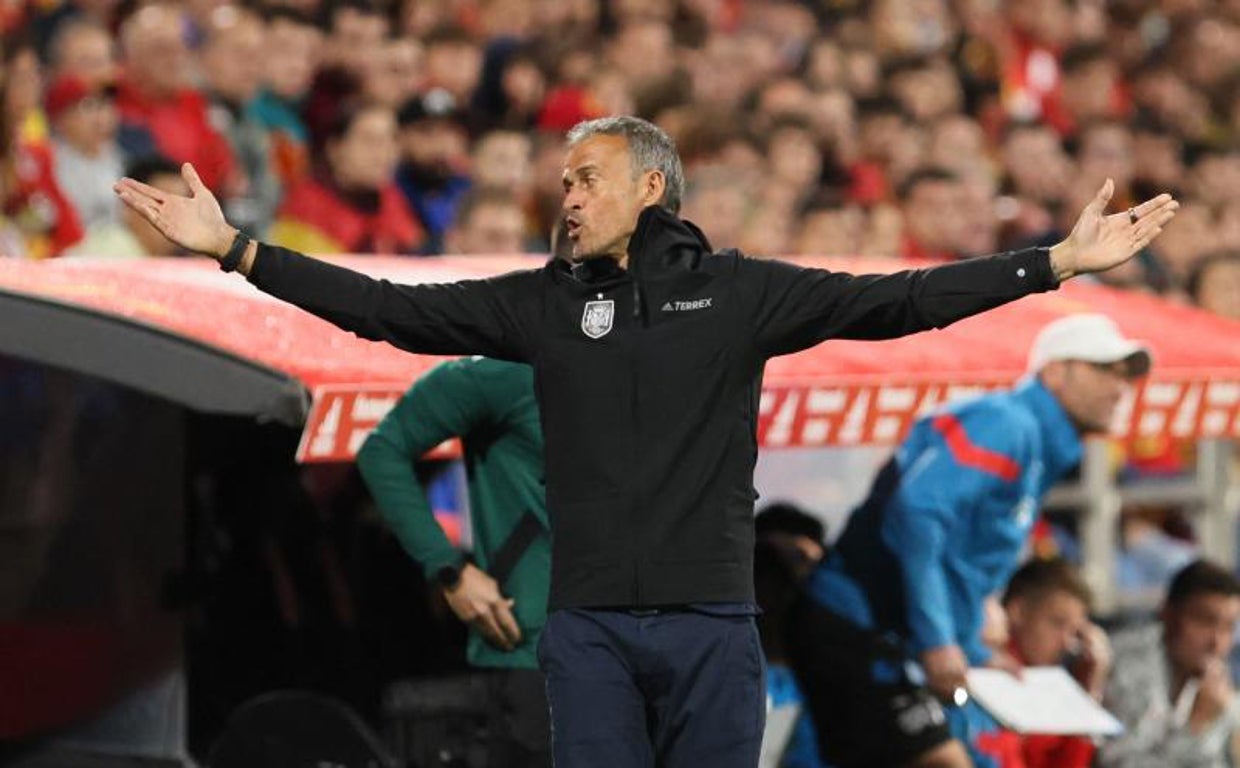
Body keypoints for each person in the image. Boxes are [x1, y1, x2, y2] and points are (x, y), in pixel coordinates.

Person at [115, 115, 1178, 767]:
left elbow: (899, 300)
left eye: (584, 177)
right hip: (587, 638)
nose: (564, 195)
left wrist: (1051, 263)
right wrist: (240, 252)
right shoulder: (537, 306)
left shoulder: (741, 294)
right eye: (563, 180)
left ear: (649, 187)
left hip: (716, 629)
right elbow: (386, 311)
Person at [789, 312, 1153, 768]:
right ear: (1055, 373)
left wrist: (974, 648)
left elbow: (959, 557)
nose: (1120, 387)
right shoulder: (1010, 424)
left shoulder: (1035, 443)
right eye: (1103, 369)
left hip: (876, 634)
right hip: (856, 627)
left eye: (1125, 376)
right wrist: (939, 640)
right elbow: (917, 512)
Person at [356, 356, 551, 768]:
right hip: (532, 654)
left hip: (636, 643)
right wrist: (450, 570)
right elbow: (383, 449)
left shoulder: (642, 358)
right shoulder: (508, 369)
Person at [1098, 559, 1240, 768]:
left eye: (1228, 627)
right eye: (1205, 621)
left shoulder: (1212, 676)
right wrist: (1196, 726)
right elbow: (1120, 764)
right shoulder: (1128, 665)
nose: (1217, 642)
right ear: (1168, 614)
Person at [988, 557, 1111, 768]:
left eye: (1074, 632)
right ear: (1017, 612)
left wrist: (1088, 690)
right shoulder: (986, 671)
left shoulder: (1054, 683)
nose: (1066, 642)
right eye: (1057, 623)